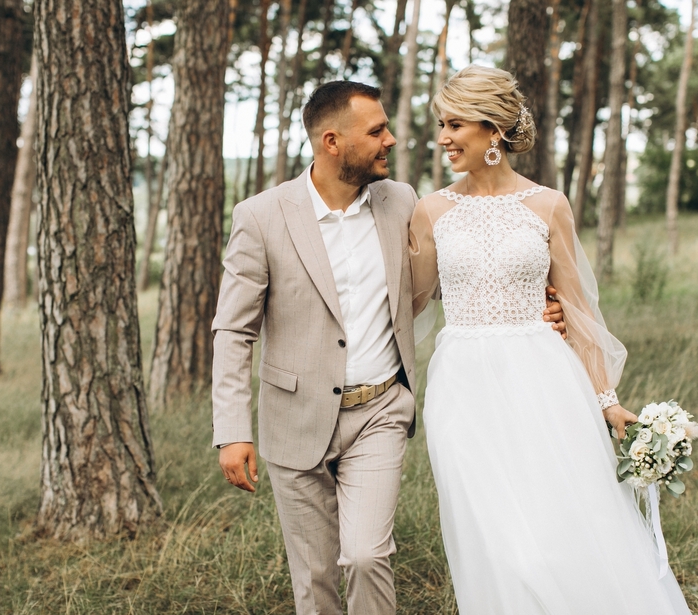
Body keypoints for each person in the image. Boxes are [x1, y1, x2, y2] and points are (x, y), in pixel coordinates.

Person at [211, 80, 567, 615]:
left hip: (379, 409)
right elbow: (234, 329)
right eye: (376, 131)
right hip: (293, 414)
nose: (391, 140)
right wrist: (233, 431)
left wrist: (537, 307)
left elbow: (454, 270)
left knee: (364, 555)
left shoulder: (401, 202)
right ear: (333, 142)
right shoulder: (261, 216)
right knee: (314, 576)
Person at [409, 64, 692, 614]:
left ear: (494, 130)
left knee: (559, 527)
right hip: (462, 386)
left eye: (454, 124)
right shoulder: (430, 210)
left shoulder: (548, 205)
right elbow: (414, 299)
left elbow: (580, 311)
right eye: (441, 124)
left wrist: (607, 401)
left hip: (543, 378)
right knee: (492, 537)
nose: (443, 137)